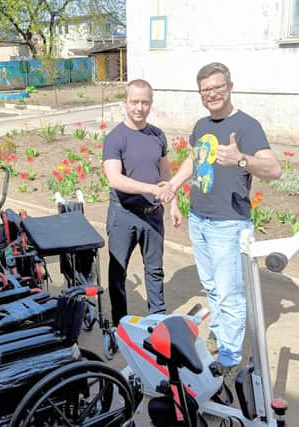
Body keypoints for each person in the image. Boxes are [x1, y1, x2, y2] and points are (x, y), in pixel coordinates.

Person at [167, 62, 282, 380]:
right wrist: (174, 185)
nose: (212, 94)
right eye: (206, 90)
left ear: (229, 86)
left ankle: (228, 358)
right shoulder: (202, 125)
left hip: (229, 224)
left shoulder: (247, 126)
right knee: (213, 289)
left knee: (230, 293)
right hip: (200, 220)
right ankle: (221, 336)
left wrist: (241, 159)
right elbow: (195, 158)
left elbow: (274, 170)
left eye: (217, 87)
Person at [103, 79, 181, 328]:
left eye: (145, 102)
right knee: (117, 273)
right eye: (134, 102)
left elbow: (165, 173)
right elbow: (115, 179)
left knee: (155, 271)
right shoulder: (115, 138)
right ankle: (120, 325)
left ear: (151, 104)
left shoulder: (157, 135)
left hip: (152, 216)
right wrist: (151, 189)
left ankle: (158, 320)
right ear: (125, 103)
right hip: (123, 215)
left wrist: (173, 201)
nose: (139, 107)